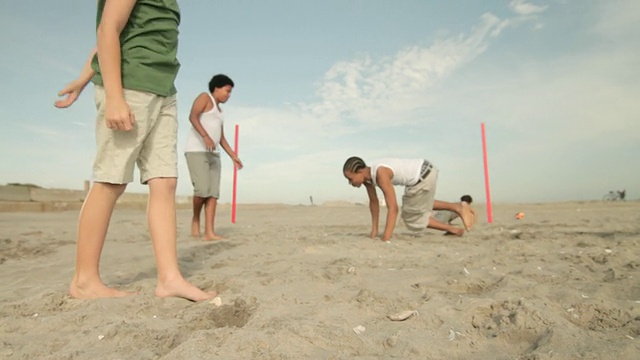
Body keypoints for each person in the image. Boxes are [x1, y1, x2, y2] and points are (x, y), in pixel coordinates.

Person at [54, 0, 215, 301]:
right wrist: (114, 96)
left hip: (164, 91)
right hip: (130, 85)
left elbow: (120, 30)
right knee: (111, 179)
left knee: (165, 181)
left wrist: (82, 77)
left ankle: (169, 279)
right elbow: (108, 28)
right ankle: (84, 280)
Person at [342, 156, 475, 241]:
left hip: (422, 176)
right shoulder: (367, 176)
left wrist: (385, 238)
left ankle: (455, 219)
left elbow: (393, 208)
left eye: (350, 179)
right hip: (426, 171)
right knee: (418, 205)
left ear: (359, 172)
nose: (350, 183)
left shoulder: (380, 173)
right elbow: (374, 202)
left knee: (411, 218)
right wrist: (374, 232)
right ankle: (456, 213)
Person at [184, 74, 243, 240]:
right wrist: (205, 136)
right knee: (202, 190)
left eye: (230, 92)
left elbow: (221, 138)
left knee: (213, 194)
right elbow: (192, 117)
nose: (229, 95)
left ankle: (209, 232)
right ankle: (196, 218)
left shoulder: (221, 112)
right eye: (227, 91)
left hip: (214, 154)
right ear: (217, 88)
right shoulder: (205, 97)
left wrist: (233, 156)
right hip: (196, 151)